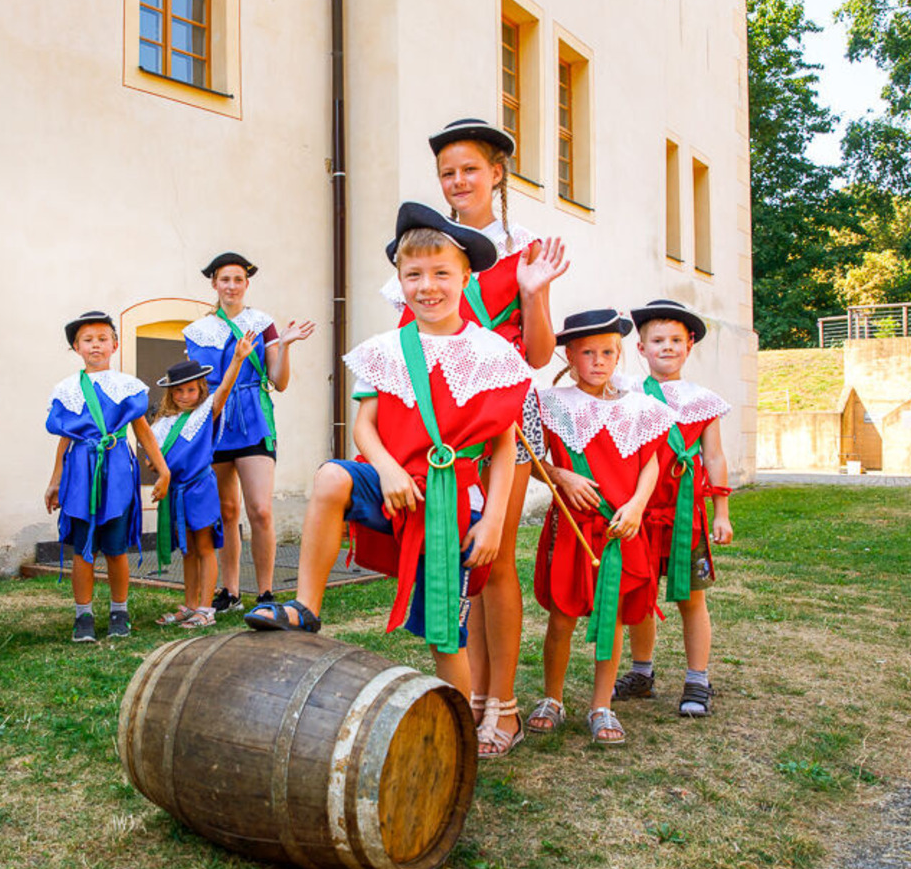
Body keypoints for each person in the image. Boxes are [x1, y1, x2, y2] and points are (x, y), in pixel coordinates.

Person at [244, 202, 531, 697]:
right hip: (395, 484)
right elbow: (365, 426)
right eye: (413, 274)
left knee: (446, 637)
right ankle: (306, 606)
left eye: (441, 273)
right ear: (399, 281)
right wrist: (389, 470)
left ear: (466, 276)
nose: (427, 286)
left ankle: (459, 732)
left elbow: (503, 447)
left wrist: (494, 520)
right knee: (332, 477)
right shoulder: (386, 348)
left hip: (455, 502)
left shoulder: (492, 353)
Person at [382, 118, 571, 757]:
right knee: (464, 561)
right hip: (442, 424)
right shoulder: (431, 252)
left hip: (509, 417)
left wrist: (534, 294)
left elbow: (540, 356)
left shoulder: (525, 250)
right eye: (447, 174)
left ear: (497, 173)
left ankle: (504, 705)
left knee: (492, 561)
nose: (458, 182)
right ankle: (473, 697)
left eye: (469, 169)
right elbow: (408, 349)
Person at [527, 310, 675, 745]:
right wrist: (562, 476)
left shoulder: (642, 408)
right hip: (572, 528)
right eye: (587, 352)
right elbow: (531, 462)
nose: (598, 360)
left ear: (620, 354)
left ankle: (602, 704)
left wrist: (635, 507)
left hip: (621, 528)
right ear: (569, 356)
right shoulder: (549, 403)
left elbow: (652, 463)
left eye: (607, 352)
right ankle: (552, 697)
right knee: (562, 616)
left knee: (612, 618)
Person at [611, 300, 734, 716]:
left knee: (692, 598)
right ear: (641, 348)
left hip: (687, 516)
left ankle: (697, 679)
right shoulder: (627, 392)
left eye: (676, 340)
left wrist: (721, 513)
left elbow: (714, 458)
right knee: (639, 595)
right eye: (657, 340)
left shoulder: (705, 401)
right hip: (641, 513)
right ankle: (642, 673)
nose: (667, 347)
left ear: (690, 345)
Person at [183, 253, 315, 612]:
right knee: (226, 510)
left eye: (238, 279)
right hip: (217, 422)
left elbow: (279, 381)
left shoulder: (262, 323)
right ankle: (230, 591)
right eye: (225, 279)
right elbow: (198, 386)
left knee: (260, 509)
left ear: (246, 284)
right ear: (214, 284)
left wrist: (285, 345)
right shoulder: (197, 331)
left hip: (254, 421)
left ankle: (267, 592)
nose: (231, 286)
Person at [45, 311, 169, 643]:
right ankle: (82, 616)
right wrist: (55, 480)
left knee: (115, 548)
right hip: (81, 472)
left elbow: (143, 432)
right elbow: (65, 438)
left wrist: (163, 470)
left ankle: (119, 611)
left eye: (102, 339)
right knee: (84, 548)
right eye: (88, 340)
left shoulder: (127, 386)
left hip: (115, 470)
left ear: (115, 344)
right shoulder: (67, 389)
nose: (95, 345)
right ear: (76, 347)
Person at [146, 336, 254, 630]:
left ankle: (206, 608)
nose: (184, 395)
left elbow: (224, 391)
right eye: (178, 390)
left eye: (191, 389)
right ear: (170, 392)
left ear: (200, 389)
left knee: (205, 546)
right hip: (175, 492)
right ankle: (190, 604)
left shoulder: (205, 413)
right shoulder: (162, 423)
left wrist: (238, 359)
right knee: (188, 549)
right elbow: (152, 457)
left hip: (200, 489)